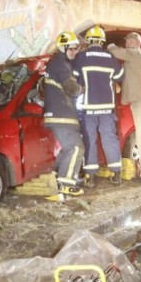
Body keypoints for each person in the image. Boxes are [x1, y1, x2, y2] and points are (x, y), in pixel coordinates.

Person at [73, 25, 125, 187]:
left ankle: (91, 178)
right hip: (107, 108)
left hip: (88, 107)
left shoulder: (81, 57)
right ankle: (116, 175)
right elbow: (120, 76)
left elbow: (75, 80)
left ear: (88, 41)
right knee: (109, 139)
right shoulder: (110, 58)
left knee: (90, 140)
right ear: (102, 41)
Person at [108, 32, 141, 183]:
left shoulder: (135, 54)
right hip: (139, 101)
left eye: (131, 41)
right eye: (127, 41)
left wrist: (109, 45)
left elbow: (117, 52)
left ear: (138, 43)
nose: (128, 43)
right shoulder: (132, 58)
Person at [43, 31, 85, 200]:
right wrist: (82, 88)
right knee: (76, 148)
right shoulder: (61, 64)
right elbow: (72, 89)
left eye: (77, 48)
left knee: (67, 149)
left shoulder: (57, 63)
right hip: (62, 115)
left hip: (57, 115)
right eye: (73, 48)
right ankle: (66, 185)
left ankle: (53, 177)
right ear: (64, 47)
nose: (75, 52)